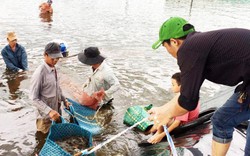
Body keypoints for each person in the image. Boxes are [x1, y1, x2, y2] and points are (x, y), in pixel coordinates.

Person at [149, 16, 250, 155]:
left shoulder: (187, 50)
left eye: (165, 46)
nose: (168, 52)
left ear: (174, 42)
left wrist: (167, 115)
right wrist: (162, 109)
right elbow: (185, 92)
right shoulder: (199, 45)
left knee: (223, 121)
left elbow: (187, 102)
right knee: (222, 119)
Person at [147, 72, 200, 144]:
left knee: (158, 119)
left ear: (181, 86)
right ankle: (150, 132)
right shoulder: (189, 94)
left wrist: (161, 136)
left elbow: (176, 123)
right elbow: (169, 107)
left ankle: (152, 134)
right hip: (187, 120)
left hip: (184, 124)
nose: (171, 87)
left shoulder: (183, 100)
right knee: (157, 115)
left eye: (173, 85)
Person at [30, 42, 70, 134]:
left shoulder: (53, 68)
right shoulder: (39, 73)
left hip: (56, 113)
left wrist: (65, 100)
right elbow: (33, 98)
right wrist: (49, 111)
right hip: (45, 118)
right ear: (45, 55)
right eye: (53, 58)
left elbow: (57, 88)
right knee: (43, 139)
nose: (55, 60)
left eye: (58, 58)